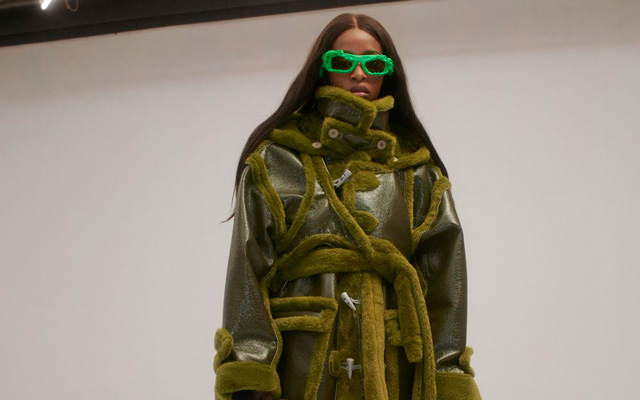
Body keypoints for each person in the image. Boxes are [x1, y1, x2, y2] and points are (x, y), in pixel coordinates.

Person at [213, 13, 482, 400]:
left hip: (391, 363)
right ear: (322, 68)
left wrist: (447, 373)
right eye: (342, 61)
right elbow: (248, 268)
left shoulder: (416, 171)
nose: (358, 73)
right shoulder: (278, 160)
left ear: (388, 73)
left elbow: (446, 284)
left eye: (373, 64)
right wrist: (249, 370)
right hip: (303, 361)